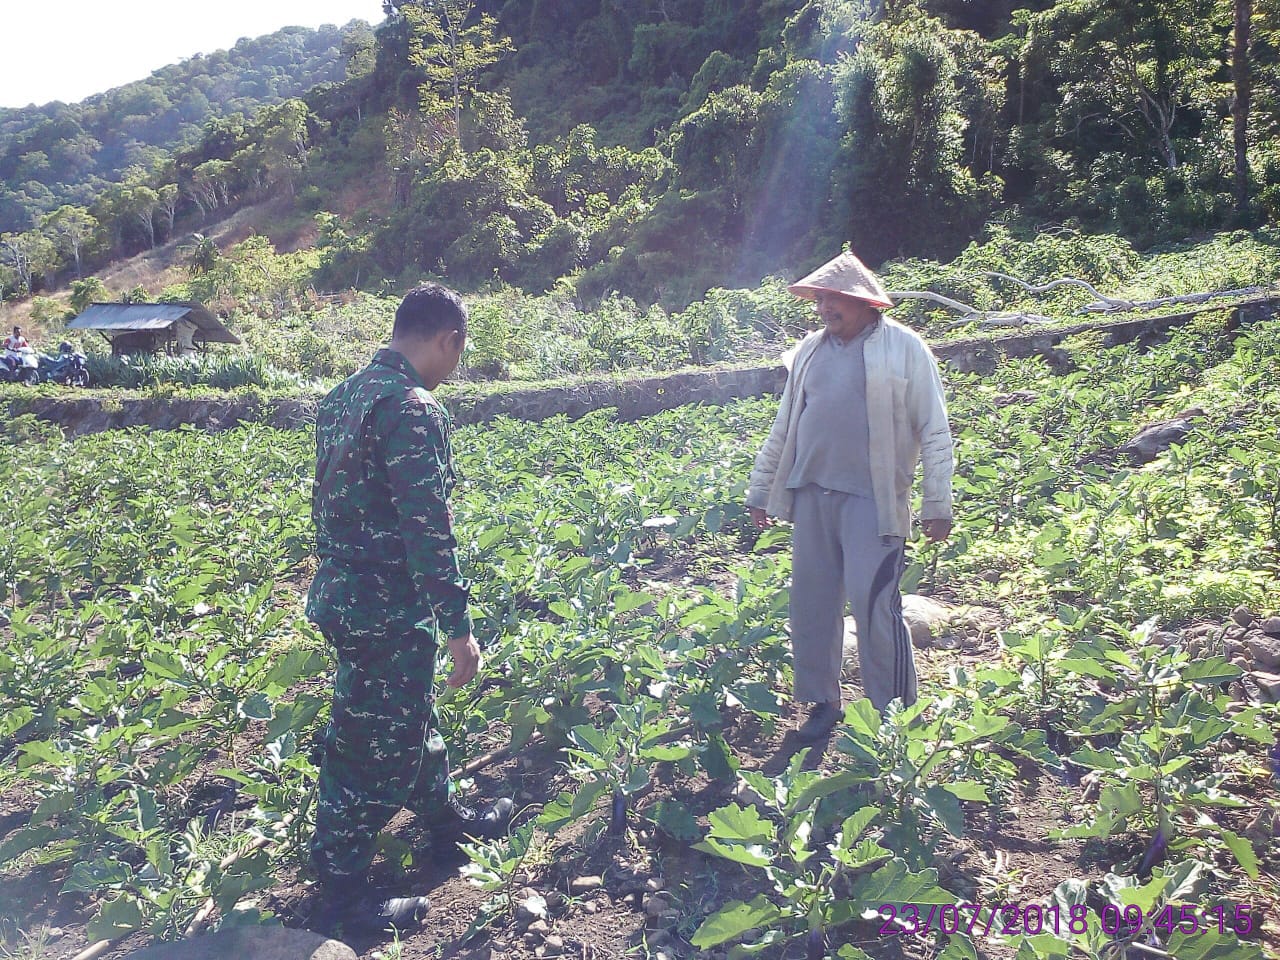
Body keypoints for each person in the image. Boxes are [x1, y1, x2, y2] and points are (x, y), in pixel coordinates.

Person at [305, 282, 512, 930]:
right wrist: (460, 631)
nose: (456, 367)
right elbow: (428, 530)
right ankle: (341, 894)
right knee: (370, 748)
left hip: (346, 593)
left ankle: (448, 823)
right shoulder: (411, 407)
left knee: (409, 718)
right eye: (460, 352)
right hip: (387, 608)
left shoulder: (345, 397)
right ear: (448, 341)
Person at [745, 250, 954, 741]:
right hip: (813, 494)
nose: (823, 307)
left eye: (833, 298)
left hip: (873, 501)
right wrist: (761, 488)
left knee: (875, 605)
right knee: (812, 604)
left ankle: (895, 713)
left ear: (864, 303)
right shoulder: (809, 351)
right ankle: (823, 701)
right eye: (819, 299)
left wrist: (937, 501)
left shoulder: (904, 349)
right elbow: (784, 425)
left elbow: (935, 427)